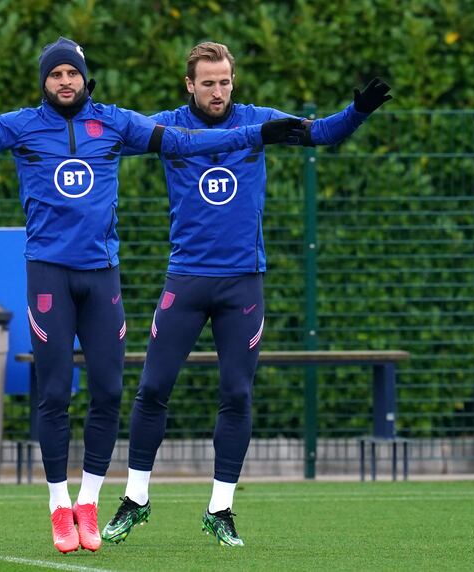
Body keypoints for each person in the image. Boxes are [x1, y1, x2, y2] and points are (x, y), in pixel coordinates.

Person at [0, 37, 306, 554]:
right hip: (48, 274)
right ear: (44, 82)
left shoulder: (113, 122)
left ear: (84, 78)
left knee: (110, 393)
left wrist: (257, 133)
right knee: (53, 394)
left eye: (72, 73)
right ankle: (57, 505)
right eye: (55, 74)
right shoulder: (21, 126)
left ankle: (89, 503)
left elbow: (182, 142)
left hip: (102, 275)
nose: (64, 81)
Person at [101, 41, 392, 547]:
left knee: (237, 392)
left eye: (225, 81)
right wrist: (91, 109)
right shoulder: (168, 125)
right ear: (189, 85)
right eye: (208, 82)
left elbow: (319, 131)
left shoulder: (260, 121)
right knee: (152, 389)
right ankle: (136, 498)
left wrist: (358, 112)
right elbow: (109, 138)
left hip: (243, 284)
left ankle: (221, 509)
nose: (218, 91)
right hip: (186, 279)